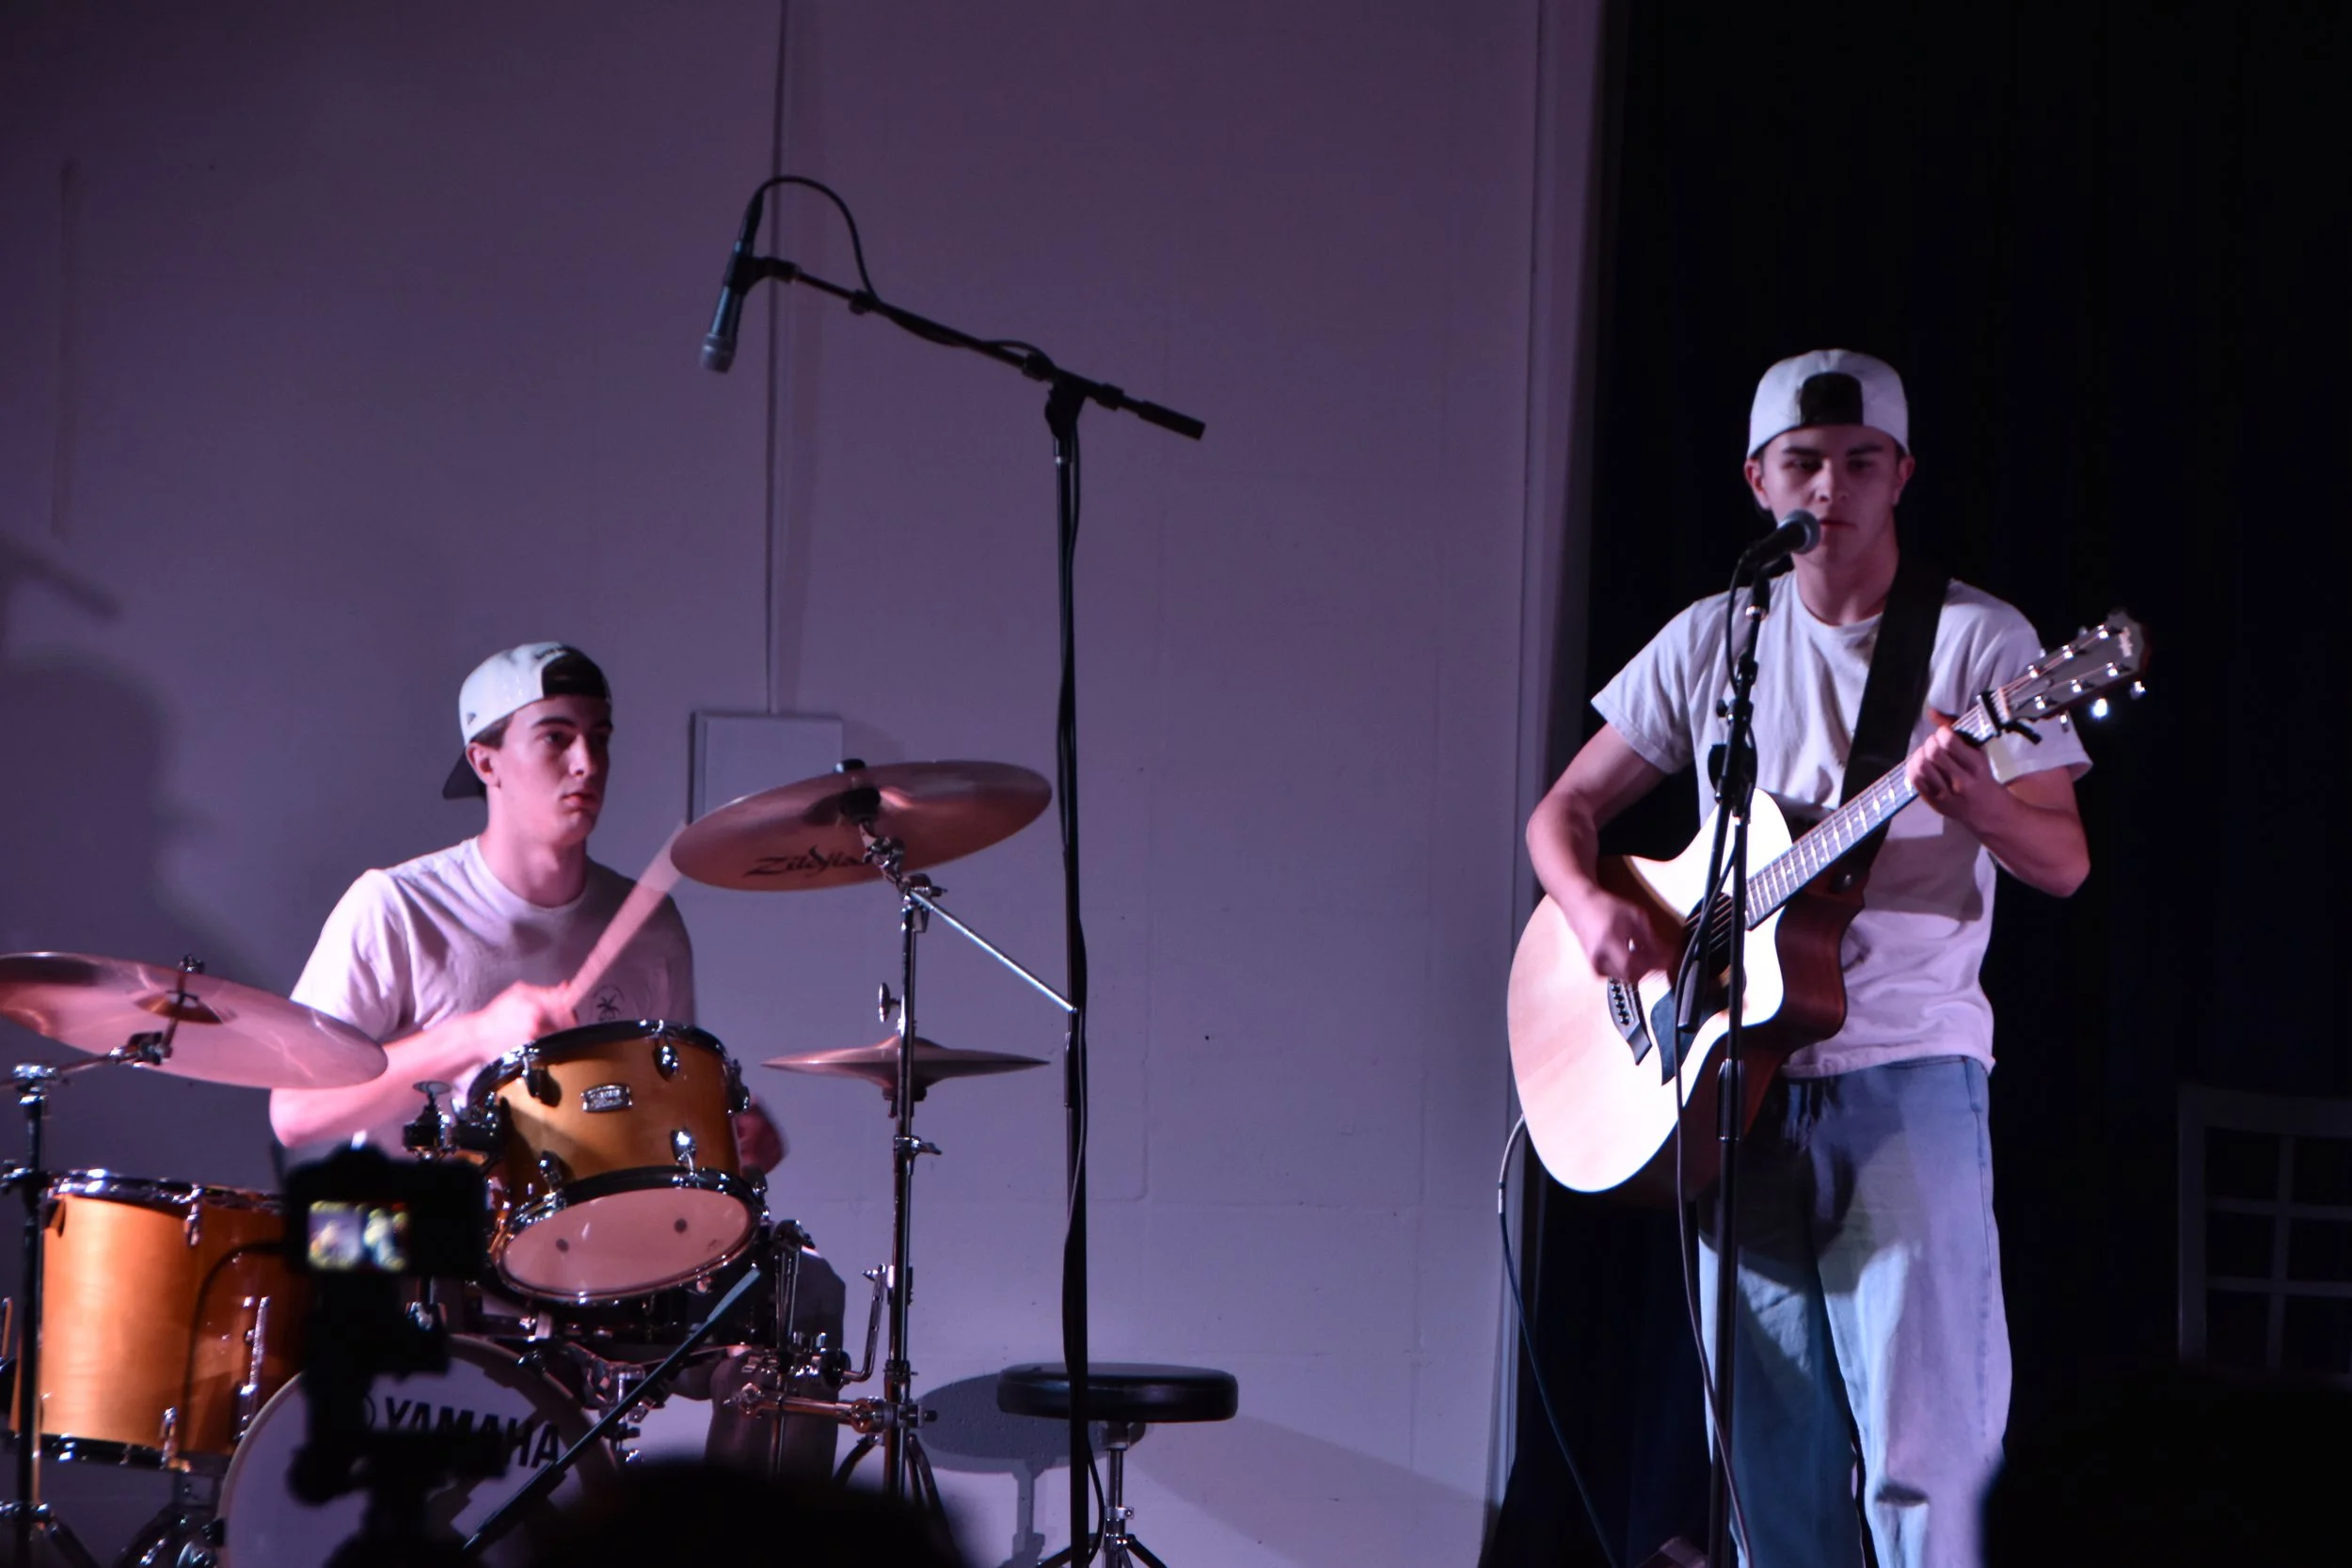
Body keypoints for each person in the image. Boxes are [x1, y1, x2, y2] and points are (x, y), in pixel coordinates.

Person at [1524, 350, 2091, 1568]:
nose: (1831, 487)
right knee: (1766, 1456)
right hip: (1734, 1091)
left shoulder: (1979, 638)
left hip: (1906, 1073)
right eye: (1804, 463)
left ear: (1902, 475)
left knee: (1928, 1455)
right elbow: (1560, 812)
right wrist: (1591, 907)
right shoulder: (1719, 635)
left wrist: (1978, 797)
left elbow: (2063, 860)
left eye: (1859, 461)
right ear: (1757, 479)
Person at [273, 641, 783, 1168]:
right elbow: (295, 1112)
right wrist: (475, 1036)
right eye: (556, 738)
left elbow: (665, 1106)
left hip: (580, 1219)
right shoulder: (397, 908)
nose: (587, 764)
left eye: (599, 738)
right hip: (414, 1217)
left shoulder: (649, 924)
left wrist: (727, 1132)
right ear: (484, 761)